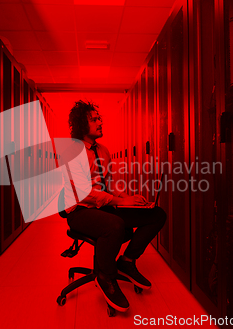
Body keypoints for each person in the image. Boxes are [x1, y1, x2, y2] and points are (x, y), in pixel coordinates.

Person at [64, 100, 167, 312]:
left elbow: (107, 183)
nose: (100, 122)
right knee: (115, 225)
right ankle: (105, 276)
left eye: (99, 118)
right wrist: (119, 202)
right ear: (82, 124)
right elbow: (84, 192)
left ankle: (127, 261)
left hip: (104, 205)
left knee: (156, 214)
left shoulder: (103, 150)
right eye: (94, 119)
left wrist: (128, 198)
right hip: (80, 210)